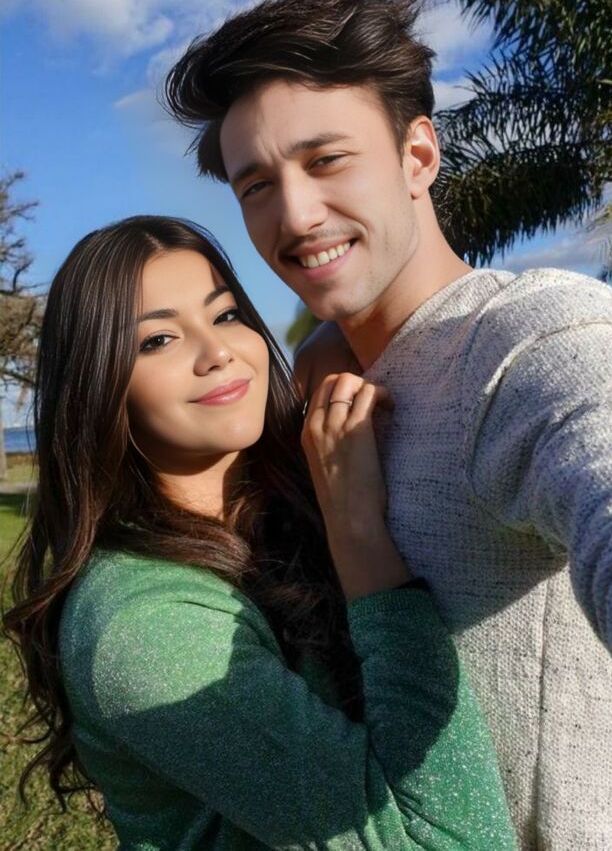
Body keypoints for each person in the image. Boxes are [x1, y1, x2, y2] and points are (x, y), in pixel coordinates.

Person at [163, 0, 612, 850]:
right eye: (256, 184)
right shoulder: (323, 379)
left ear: (418, 156)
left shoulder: (530, 337)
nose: (295, 215)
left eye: (326, 160)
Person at [3, 216, 516, 850]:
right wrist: (356, 529)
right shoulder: (148, 628)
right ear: (98, 386)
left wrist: (331, 339)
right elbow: (456, 841)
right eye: (158, 340)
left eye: (224, 316)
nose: (218, 352)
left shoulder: (276, 500)